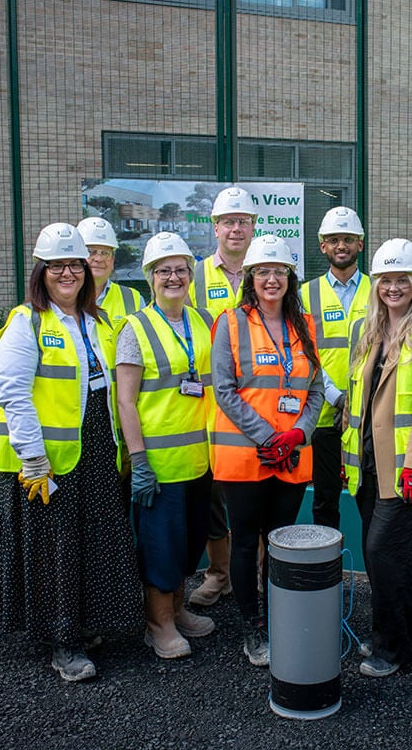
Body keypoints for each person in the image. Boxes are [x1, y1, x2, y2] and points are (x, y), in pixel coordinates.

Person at [0, 223, 141, 682]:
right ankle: (63, 643)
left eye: (75, 264)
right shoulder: (27, 321)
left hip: (95, 451)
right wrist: (33, 457)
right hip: (49, 459)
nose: (68, 272)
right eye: (57, 265)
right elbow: (13, 392)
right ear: (42, 272)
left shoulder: (96, 322)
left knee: (91, 541)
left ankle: (86, 624)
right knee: (56, 549)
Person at [341, 239, 412, 677]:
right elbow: (358, 400)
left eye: (401, 280)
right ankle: (399, 637)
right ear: (375, 285)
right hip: (366, 465)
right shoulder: (363, 331)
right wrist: (348, 455)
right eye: (385, 280)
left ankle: (393, 649)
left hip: (406, 469)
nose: (393, 288)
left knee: (386, 553)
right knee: (386, 560)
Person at [209, 233, 324, 667]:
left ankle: (279, 616)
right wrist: (268, 436)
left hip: (291, 456)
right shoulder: (231, 322)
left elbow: (314, 390)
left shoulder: (305, 324)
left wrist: (298, 434)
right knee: (244, 544)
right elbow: (224, 389)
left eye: (279, 271)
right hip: (244, 457)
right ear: (251, 278)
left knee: (280, 542)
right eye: (263, 272)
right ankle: (252, 626)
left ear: (290, 277)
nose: (271, 279)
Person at [115, 232, 217, 659]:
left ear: (190, 275)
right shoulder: (135, 328)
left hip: (201, 459)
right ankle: (157, 622)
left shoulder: (203, 320)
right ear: (149, 278)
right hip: (159, 463)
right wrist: (138, 460)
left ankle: (177, 607)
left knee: (191, 539)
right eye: (163, 270)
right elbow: (125, 399)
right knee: (161, 545)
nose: (173, 277)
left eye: (180, 269)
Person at [187, 186, 257, 608]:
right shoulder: (195, 276)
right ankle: (219, 573)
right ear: (215, 227)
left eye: (242, 221)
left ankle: (260, 570)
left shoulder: (268, 267)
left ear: (253, 227)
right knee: (214, 489)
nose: (235, 229)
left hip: (261, 401)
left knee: (259, 486)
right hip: (211, 401)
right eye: (228, 221)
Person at [300, 206, 370, 530]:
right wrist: (335, 397)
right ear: (322, 246)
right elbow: (305, 352)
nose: (341, 245)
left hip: (369, 415)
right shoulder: (305, 294)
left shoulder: (379, 291)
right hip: (325, 415)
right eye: (334, 240)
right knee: (325, 499)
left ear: (360, 244)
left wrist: (356, 400)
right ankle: (325, 575)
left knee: (371, 498)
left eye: (348, 239)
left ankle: (378, 575)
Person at [76, 216, 146, 333]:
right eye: (90, 252)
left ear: (112, 260)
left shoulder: (133, 300)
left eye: (105, 253)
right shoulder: (63, 298)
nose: (98, 258)